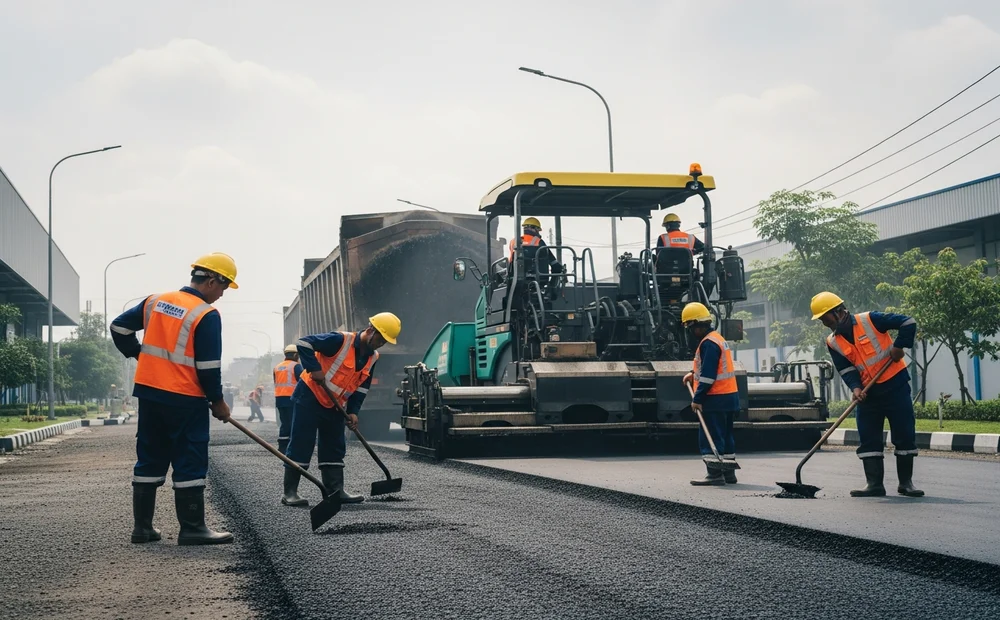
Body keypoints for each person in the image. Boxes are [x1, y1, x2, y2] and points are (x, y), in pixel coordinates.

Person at [110, 252, 238, 546]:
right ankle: (192, 528)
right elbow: (208, 366)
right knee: (189, 456)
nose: (221, 295)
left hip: (150, 393)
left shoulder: (155, 301)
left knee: (150, 455)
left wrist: (138, 354)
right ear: (211, 280)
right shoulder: (205, 314)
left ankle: (142, 529)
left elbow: (119, 327)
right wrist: (217, 401)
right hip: (184, 397)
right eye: (223, 286)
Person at [281, 312, 401, 507]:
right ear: (370, 330)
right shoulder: (340, 340)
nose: (381, 344)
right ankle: (290, 492)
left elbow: (362, 386)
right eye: (380, 338)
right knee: (302, 443)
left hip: (335, 404)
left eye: (385, 341)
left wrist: (353, 411)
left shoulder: (373, 357)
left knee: (334, 446)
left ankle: (335, 490)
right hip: (309, 397)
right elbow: (304, 343)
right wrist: (314, 368)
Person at [810, 291, 923, 498]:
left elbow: (908, 322)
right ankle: (874, 485)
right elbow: (845, 369)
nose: (824, 324)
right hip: (868, 395)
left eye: (825, 318)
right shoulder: (832, 341)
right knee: (868, 437)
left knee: (904, 434)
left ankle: (906, 484)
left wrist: (899, 346)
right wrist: (856, 388)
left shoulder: (871, 319)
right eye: (821, 320)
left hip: (895, 387)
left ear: (838, 312)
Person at [680, 302, 739, 486]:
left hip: (715, 398)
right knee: (726, 435)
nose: (690, 332)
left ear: (697, 325)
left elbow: (708, 376)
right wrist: (692, 372)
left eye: (690, 327)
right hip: (729, 396)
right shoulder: (717, 338)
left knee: (710, 436)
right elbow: (710, 367)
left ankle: (714, 474)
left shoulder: (708, 344)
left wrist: (697, 399)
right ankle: (729, 473)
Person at [273, 344, 303, 454]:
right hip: (292, 399)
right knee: (294, 423)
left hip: (280, 399)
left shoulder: (277, 367)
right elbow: (302, 382)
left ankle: (282, 447)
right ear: (295, 355)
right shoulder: (296, 366)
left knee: (285, 423)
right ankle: (293, 447)